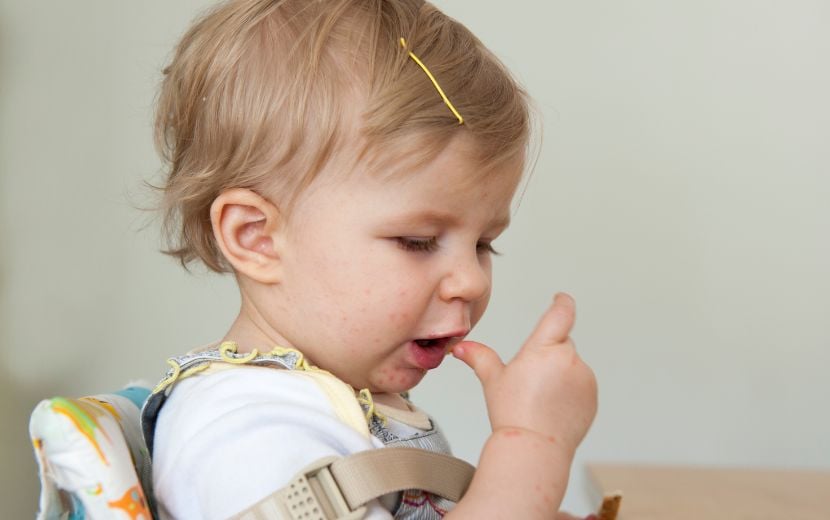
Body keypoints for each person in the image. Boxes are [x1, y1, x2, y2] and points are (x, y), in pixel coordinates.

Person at [147, 0, 598, 518]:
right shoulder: (245, 431)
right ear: (257, 238)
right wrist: (531, 446)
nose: (471, 282)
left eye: (483, 244)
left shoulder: (334, 403)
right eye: (418, 241)